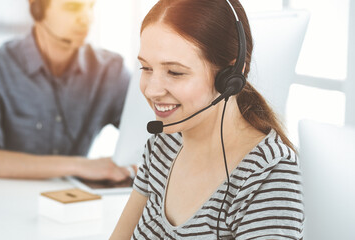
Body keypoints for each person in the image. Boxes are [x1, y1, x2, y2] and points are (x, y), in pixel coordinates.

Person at [110, 0, 304, 239]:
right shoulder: (164, 145)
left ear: (231, 76)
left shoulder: (268, 173)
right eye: (146, 68)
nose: (152, 90)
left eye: (175, 72)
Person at [0, 0, 132, 182]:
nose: (87, 19)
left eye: (91, 6)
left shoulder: (111, 70)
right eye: (72, 7)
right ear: (37, 9)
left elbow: (150, 131)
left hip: (73, 202)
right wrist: (80, 166)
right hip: (7, 200)